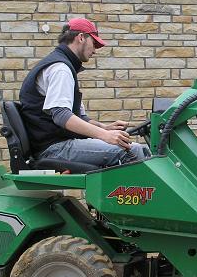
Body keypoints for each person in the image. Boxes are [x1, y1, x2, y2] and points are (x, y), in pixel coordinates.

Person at [19, 17, 151, 168]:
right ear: (81, 37)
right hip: (53, 149)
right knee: (133, 151)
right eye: (94, 43)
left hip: (56, 144)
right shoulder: (60, 68)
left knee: (141, 149)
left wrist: (104, 127)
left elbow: (77, 117)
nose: (95, 50)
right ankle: (124, 192)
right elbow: (61, 115)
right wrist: (105, 136)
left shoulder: (62, 65)